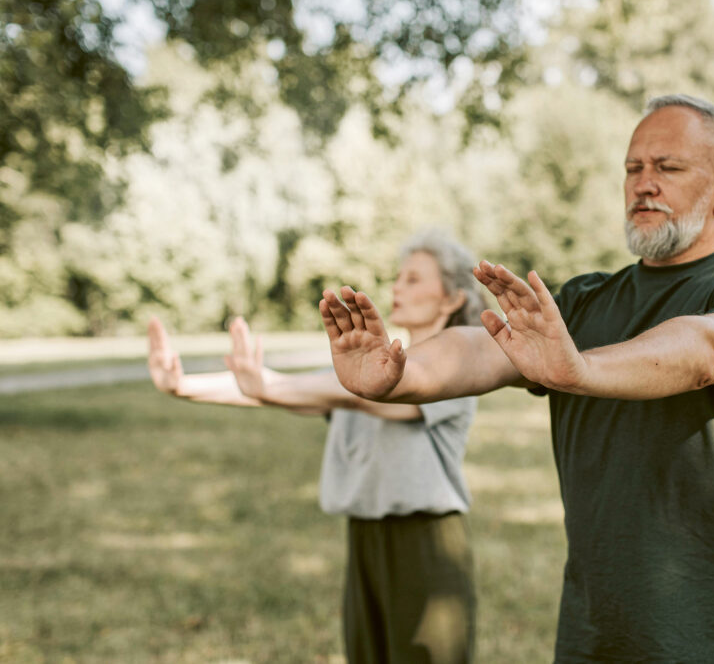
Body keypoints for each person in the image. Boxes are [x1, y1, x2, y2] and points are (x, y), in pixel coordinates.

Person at [318, 95, 714, 662]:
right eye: (633, 168)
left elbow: (709, 350)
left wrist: (582, 370)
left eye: (668, 167)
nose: (644, 185)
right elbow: (483, 347)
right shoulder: (585, 303)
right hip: (593, 636)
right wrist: (399, 378)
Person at [148, 230, 487, 664]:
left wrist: (269, 383)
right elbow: (302, 390)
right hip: (364, 534)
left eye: (415, 279)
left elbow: (351, 393)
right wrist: (181, 386)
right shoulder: (362, 367)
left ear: (452, 298)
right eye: (398, 277)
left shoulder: (460, 365)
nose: (398, 287)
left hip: (424, 541)